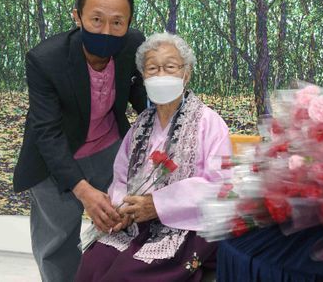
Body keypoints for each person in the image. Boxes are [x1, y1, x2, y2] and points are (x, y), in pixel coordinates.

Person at [13, 0, 147, 282]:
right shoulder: (45, 59)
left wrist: (173, 121)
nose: (106, 31)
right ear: (78, 17)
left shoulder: (133, 45)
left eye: (117, 22)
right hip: (55, 158)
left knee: (125, 225)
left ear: (129, 23)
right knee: (57, 243)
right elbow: (46, 132)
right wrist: (82, 189)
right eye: (96, 20)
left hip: (109, 148)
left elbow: (141, 97)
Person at [75, 32, 232, 282]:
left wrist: (158, 205)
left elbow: (220, 186)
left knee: (124, 275)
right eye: (152, 69)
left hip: (187, 225)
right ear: (144, 77)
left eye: (169, 67)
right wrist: (122, 209)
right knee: (92, 263)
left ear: (186, 73)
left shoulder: (209, 123)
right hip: (136, 224)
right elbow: (120, 178)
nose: (160, 75)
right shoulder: (140, 126)